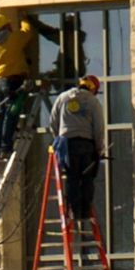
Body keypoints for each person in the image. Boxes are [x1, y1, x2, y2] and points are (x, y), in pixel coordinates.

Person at [49, 72, 105, 222]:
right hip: (86, 145)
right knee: (87, 178)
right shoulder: (93, 102)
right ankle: (84, 212)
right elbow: (98, 127)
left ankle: (73, 210)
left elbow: (53, 121)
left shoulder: (62, 97)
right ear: (93, 88)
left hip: (67, 144)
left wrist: (58, 140)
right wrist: (99, 147)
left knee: (72, 178)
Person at [0, 9, 36, 159]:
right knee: (11, 115)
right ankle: (6, 147)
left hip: (0, 83)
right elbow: (27, 32)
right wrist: (24, 19)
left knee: (1, 116)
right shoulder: (13, 39)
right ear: (6, 27)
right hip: (14, 82)